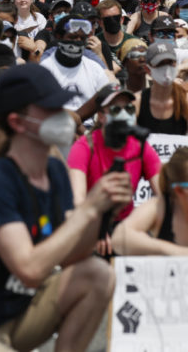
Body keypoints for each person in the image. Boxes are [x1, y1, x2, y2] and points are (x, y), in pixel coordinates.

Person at [0, 63, 132, 350]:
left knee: (97, 274)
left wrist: (105, 212)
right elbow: (28, 269)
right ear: (18, 122)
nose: (63, 116)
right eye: (50, 108)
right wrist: (89, 210)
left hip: (14, 314)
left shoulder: (54, 170)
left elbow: (75, 256)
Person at [68, 87, 160, 253]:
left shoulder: (140, 146)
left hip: (127, 224)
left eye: (129, 108)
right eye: (116, 109)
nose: (125, 114)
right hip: (90, 220)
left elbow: (163, 193)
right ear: (101, 116)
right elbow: (78, 201)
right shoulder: (84, 147)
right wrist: (95, 230)